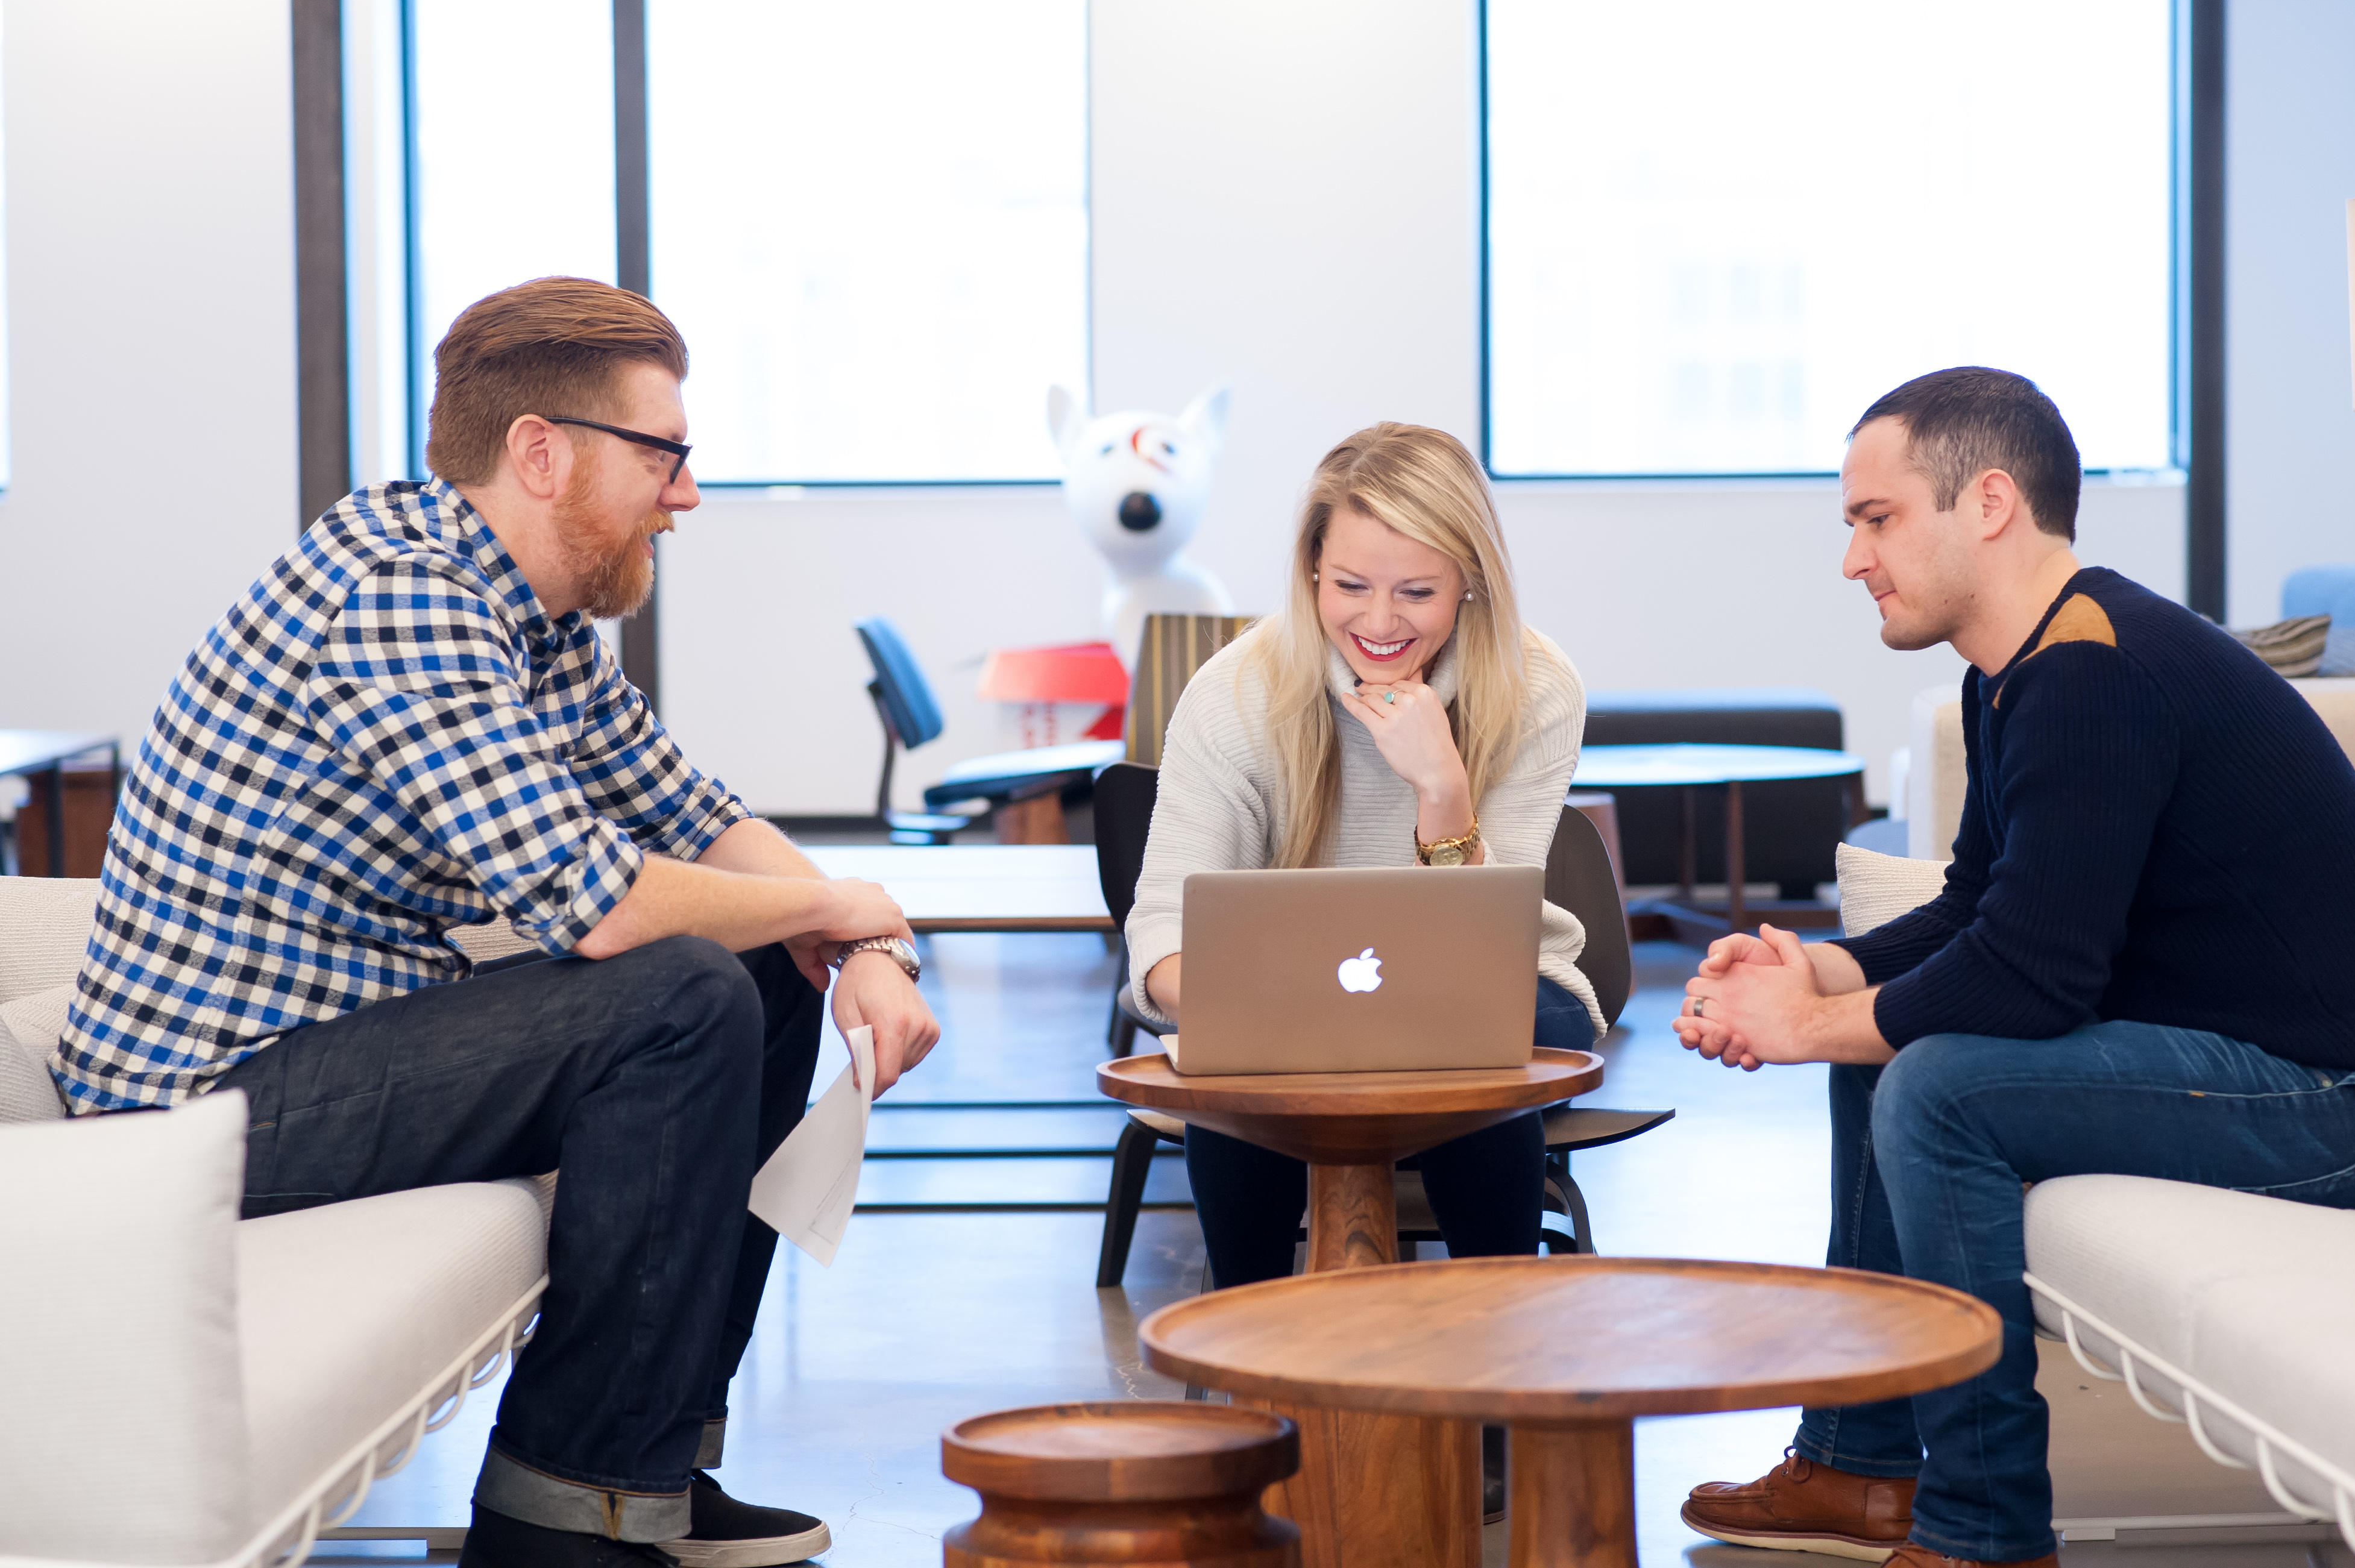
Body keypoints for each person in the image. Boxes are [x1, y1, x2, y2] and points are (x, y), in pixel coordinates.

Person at [55, 277, 943, 1568]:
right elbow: (600, 903)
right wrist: (842, 902)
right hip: (194, 1110)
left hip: (334, 1048)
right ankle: (557, 1519)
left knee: (748, 972)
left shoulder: (530, 615)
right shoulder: (399, 599)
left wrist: (860, 941)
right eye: (667, 456)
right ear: (542, 450)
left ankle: (652, 1470)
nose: (685, 495)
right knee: (683, 989)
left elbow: (692, 814)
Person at [1672, 366, 2355, 1568]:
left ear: (1986, 503)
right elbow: (1977, 910)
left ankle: (1985, 1533)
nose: (1852, 559)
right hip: (2263, 1077)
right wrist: (1824, 970)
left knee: (1931, 1081)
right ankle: (1858, 1465)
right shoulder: (2017, 670)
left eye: (1873, 518)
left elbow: (2032, 980)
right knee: (1883, 1054)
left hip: (2354, 1117)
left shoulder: (2096, 668)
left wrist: (1802, 1023)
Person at [1122, 421, 1604, 1284]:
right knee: (1239, 1095)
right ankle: (1261, 1355)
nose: (1378, 623)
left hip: (1503, 986)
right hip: (1283, 1000)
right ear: (1312, 570)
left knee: (1467, 1048)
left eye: (1417, 591)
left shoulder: (1536, 685)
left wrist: (1442, 792)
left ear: (1470, 584)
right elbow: (1161, 929)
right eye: (1349, 585)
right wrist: (1238, 1022)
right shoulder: (1235, 694)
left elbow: (1486, 948)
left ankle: (1493, 1350)